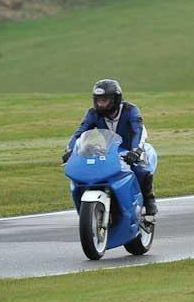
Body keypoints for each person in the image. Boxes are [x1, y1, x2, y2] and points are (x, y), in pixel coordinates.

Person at [62, 79, 158, 215]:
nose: (100, 104)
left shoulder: (130, 110)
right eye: (98, 100)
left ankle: (149, 199)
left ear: (115, 99)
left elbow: (138, 131)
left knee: (141, 168)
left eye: (104, 100)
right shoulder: (92, 113)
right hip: (107, 150)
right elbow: (80, 132)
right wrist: (70, 149)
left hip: (131, 148)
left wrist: (136, 150)